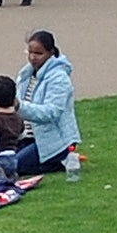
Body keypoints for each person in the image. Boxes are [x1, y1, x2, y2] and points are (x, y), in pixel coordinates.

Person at [17, 28, 82, 171]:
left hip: (55, 141)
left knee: (13, 166)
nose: (33, 57)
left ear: (51, 53)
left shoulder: (59, 78)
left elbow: (51, 112)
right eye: (30, 52)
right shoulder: (26, 74)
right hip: (28, 137)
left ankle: (60, 159)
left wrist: (18, 106)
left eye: (39, 53)